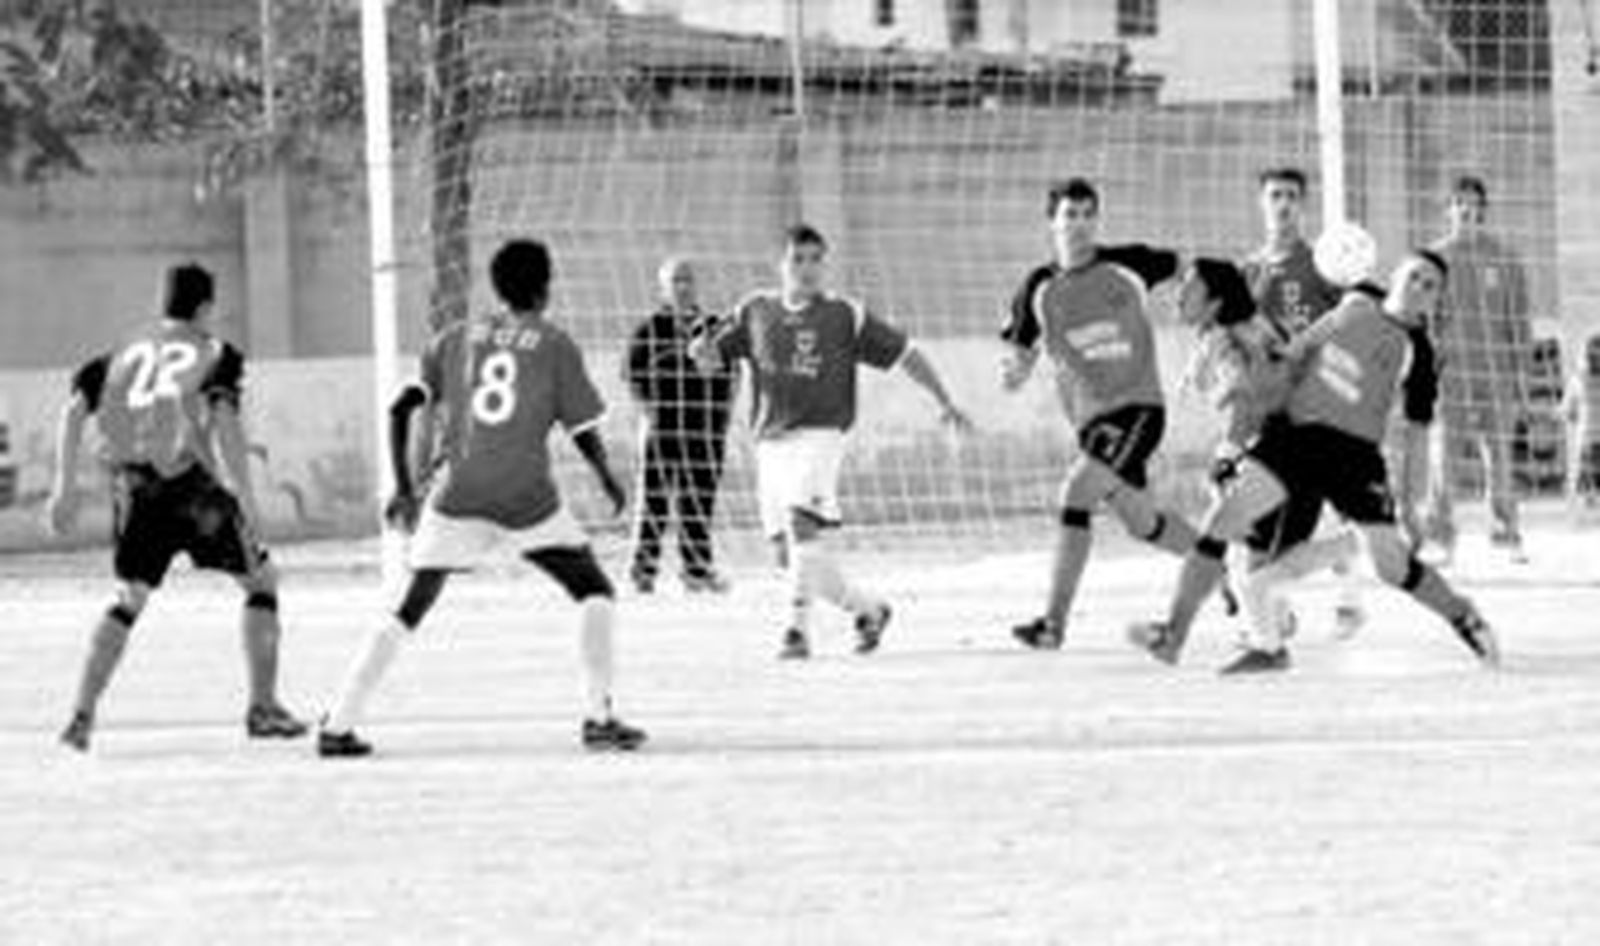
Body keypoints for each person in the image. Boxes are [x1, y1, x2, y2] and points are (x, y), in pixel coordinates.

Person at [316, 239, 645, 757]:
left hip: (457, 496)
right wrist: (605, 474)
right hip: (525, 499)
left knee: (406, 608)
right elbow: (580, 425)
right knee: (594, 592)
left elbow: (400, 408)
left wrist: (404, 488)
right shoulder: (554, 343)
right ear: (544, 287)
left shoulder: (455, 337)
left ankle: (338, 723)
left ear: (496, 287)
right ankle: (599, 719)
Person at [1128, 250, 1500, 670]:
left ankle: (1461, 614)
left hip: (1353, 456)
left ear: (1436, 300)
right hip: (1295, 436)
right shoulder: (1358, 301)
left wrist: (1414, 507)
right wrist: (1257, 382)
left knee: (1391, 567)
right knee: (1221, 521)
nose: (1419, 288)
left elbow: (1416, 436)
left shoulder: (1420, 353)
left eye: (1430, 286)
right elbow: (1302, 346)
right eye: (1414, 276)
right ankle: (1175, 634)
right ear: (1396, 275)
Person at [45, 263, 306, 751]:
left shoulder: (123, 354)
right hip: (192, 490)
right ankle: (263, 708)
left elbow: (73, 412)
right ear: (205, 308)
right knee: (262, 582)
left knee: (129, 599)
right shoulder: (214, 352)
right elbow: (224, 416)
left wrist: (63, 488)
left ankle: (81, 716)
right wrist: (246, 495)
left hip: (135, 487)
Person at [691, 223, 970, 660]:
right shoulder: (754, 310)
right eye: (797, 260)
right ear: (780, 265)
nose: (807, 268)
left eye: (815, 259)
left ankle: (796, 632)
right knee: (789, 558)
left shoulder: (844, 314)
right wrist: (700, 352)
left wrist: (944, 400)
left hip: (821, 436)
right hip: (769, 442)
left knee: (804, 523)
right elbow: (711, 361)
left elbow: (906, 353)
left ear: (825, 264)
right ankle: (869, 609)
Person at [1000, 178, 1204, 651]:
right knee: (1143, 522)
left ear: (1097, 221)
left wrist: (1197, 305)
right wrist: (1015, 371)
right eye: (1069, 214)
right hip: (1091, 421)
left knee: (1075, 493)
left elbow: (1188, 267)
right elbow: (1021, 351)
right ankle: (1222, 566)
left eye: (1088, 214)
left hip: (1138, 408)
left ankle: (1053, 624)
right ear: (1052, 221)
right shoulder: (1038, 287)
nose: (1079, 223)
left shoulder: (1128, 264)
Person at [1177, 257, 1364, 674]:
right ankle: (1273, 628)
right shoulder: (1250, 325)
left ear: (1214, 302)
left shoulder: (1228, 340)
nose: (1179, 295)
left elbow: (1249, 401)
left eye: (1189, 289)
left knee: (1255, 553)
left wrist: (1227, 455)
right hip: (1301, 439)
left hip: (1286, 448)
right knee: (1258, 555)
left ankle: (1348, 549)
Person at [1424, 175, 1533, 562]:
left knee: (1499, 455)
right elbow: (1423, 320)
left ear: (1483, 210)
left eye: (1473, 204)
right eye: (1458, 203)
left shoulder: (1505, 258)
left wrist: (1522, 373)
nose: (1466, 210)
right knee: (1444, 457)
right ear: (1448, 210)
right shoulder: (1433, 259)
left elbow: (1519, 319)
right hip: (1451, 374)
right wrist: (1426, 370)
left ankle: (1506, 533)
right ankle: (1440, 537)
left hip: (1497, 372)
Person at [623, 257, 736, 594]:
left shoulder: (716, 326)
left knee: (699, 501)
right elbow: (631, 375)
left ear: (698, 285)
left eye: (688, 280)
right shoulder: (649, 329)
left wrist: (724, 418)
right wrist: (650, 413)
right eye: (676, 281)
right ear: (664, 288)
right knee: (654, 502)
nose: (683, 287)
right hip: (663, 429)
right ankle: (642, 571)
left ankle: (697, 571)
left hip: (705, 429)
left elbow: (733, 374)